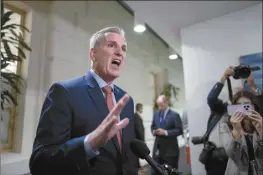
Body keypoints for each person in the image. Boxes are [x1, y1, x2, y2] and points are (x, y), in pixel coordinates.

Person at [29, 27, 138, 175]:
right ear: (93, 54)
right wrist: (89, 143)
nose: (120, 52)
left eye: (123, 48)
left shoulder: (126, 100)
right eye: (112, 45)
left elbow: (128, 156)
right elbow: (40, 161)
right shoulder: (64, 92)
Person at [208, 67, 263, 175]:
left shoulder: (258, 120)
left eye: (246, 105)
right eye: (238, 104)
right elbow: (211, 99)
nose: (242, 108)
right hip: (235, 166)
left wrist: (252, 86)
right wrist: (224, 77)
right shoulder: (226, 114)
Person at [151, 95, 183, 174]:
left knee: (171, 172)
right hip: (158, 150)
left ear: (166, 102)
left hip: (170, 151)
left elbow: (179, 130)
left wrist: (165, 132)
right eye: (158, 105)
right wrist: (154, 131)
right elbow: (152, 126)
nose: (160, 107)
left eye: (161, 105)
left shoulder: (174, 115)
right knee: (156, 171)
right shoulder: (156, 114)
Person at [134, 103, 145, 171]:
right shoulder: (136, 116)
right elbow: (139, 130)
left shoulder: (137, 116)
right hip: (138, 139)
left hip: (138, 139)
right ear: (139, 108)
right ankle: (138, 169)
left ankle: (139, 168)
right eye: (142, 108)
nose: (142, 110)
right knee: (137, 155)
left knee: (137, 155)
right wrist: (142, 141)